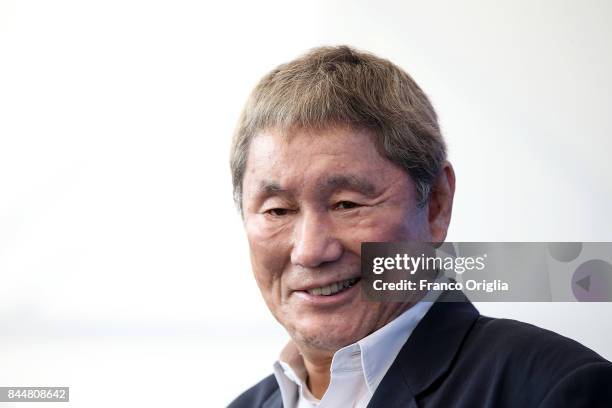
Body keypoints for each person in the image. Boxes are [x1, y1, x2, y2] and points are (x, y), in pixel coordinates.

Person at [227, 45, 612, 407]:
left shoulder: (555, 389)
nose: (310, 250)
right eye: (277, 210)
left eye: (347, 204)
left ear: (436, 205)